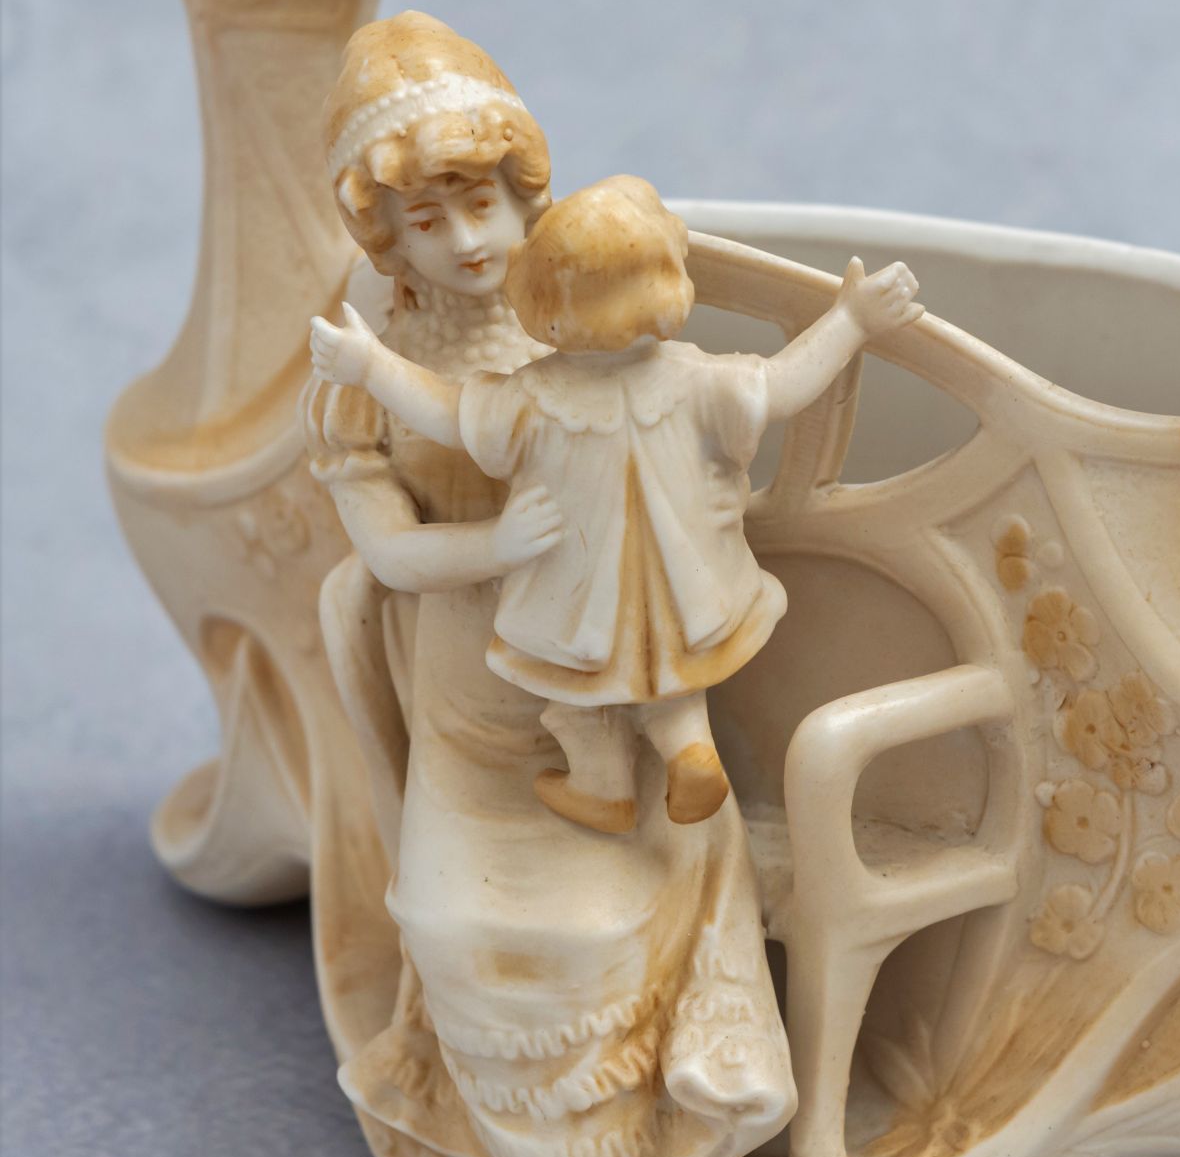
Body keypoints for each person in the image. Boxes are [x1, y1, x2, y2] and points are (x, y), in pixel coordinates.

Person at [305, 12, 799, 1157]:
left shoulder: (579, 317)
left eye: (484, 205)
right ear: (387, 239)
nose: (467, 241)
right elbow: (382, 552)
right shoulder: (366, 368)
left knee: (618, 919)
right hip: (472, 701)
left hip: (604, 676)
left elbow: (701, 421)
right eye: (426, 222)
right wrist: (491, 545)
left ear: (527, 195)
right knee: (473, 930)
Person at [311, 175, 922, 834]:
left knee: (576, 700)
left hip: (577, 597)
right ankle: (690, 750)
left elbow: (445, 413)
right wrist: (852, 320)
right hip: (687, 591)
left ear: (539, 304)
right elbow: (785, 384)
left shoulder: (532, 400)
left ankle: (602, 788)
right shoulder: (697, 379)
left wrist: (370, 366)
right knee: (675, 680)